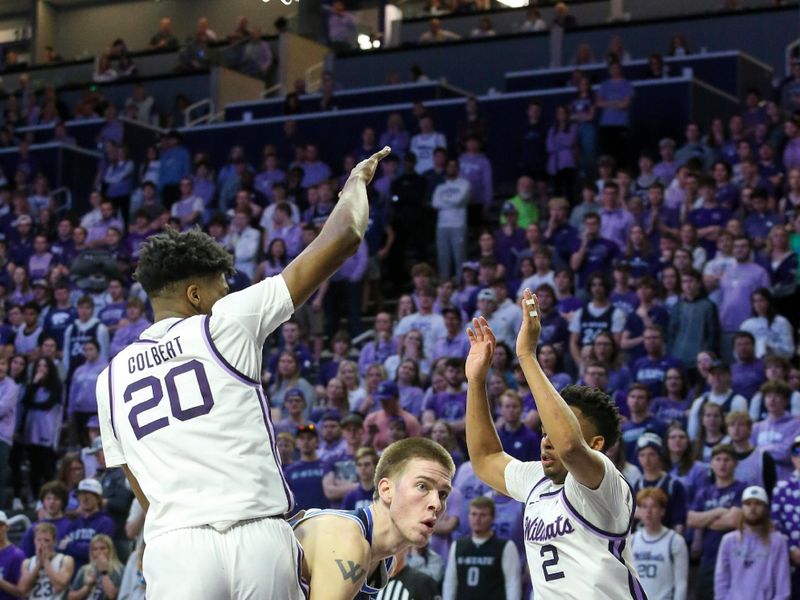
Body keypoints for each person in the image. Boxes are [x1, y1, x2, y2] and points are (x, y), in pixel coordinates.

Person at [95, 147, 392, 599]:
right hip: (256, 536)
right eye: (221, 284)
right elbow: (346, 234)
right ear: (195, 294)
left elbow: (140, 483)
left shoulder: (110, 377)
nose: (228, 290)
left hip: (175, 546)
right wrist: (354, 185)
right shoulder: (225, 322)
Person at [465, 289, 645, 598]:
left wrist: (527, 356)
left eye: (558, 431)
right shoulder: (536, 480)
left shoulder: (605, 482)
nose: (548, 442)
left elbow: (571, 447)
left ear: (597, 443)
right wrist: (476, 382)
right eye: (545, 432)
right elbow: (485, 459)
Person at [291, 437, 455, 599]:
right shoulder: (348, 541)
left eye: (443, 494)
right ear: (386, 490)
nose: (437, 504)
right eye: (422, 486)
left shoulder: (385, 562)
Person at [687, 444, 746, 600]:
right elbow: (691, 519)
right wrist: (719, 512)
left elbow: (735, 520)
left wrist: (705, 520)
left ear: (735, 463)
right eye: (718, 459)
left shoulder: (742, 488)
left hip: (736, 558)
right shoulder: (704, 492)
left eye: (727, 459)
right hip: (708, 558)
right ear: (711, 464)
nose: (722, 463)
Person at [714, 486, 791, 600]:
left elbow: (783, 588)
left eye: (758, 503)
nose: (752, 508)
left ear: (765, 508)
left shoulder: (778, 542)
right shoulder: (729, 541)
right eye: (748, 503)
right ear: (742, 507)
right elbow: (721, 581)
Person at [442, 496, 521, 600]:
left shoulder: (506, 547)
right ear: (468, 516)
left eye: (483, 515)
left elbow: (512, 584)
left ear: (492, 518)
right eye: (474, 514)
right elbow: (450, 583)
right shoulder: (457, 546)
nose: (477, 519)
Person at [631, 488, 688, 600]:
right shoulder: (632, 541)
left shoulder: (675, 541)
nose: (648, 511)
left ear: (662, 511)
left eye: (653, 506)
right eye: (644, 506)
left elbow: (681, 584)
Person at [18, 522, 74, 599]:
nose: (42, 544)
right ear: (34, 540)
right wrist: (38, 565)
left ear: (54, 541)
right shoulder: (27, 562)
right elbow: (22, 589)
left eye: (46, 540)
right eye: (39, 540)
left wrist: (46, 562)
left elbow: (59, 587)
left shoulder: (65, 560)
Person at [67, 534, 123, 600]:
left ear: (110, 550)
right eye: (95, 549)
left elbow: (112, 595)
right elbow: (70, 597)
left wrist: (104, 572)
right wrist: (87, 587)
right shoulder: (84, 570)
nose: (99, 552)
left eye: (103, 548)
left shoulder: (120, 569)